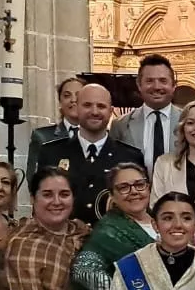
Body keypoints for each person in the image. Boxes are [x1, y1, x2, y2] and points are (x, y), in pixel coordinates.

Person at [35, 82, 140, 224]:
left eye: (101, 106)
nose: (94, 112)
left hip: (112, 241)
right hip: (63, 239)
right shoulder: (51, 152)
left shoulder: (130, 156)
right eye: (87, 105)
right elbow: (40, 204)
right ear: (77, 108)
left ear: (111, 111)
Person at [110, 53, 180, 170]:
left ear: (173, 85)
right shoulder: (120, 125)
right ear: (139, 84)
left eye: (163, 81)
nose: (157, 87)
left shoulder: (188, 120)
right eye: (149, 81)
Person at [27, 76, 82, 182]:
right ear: (60, 102)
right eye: (67, 96)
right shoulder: (42, 137)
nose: (73, 100)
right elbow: (33, 180)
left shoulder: (99, 137)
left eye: (78, 95)